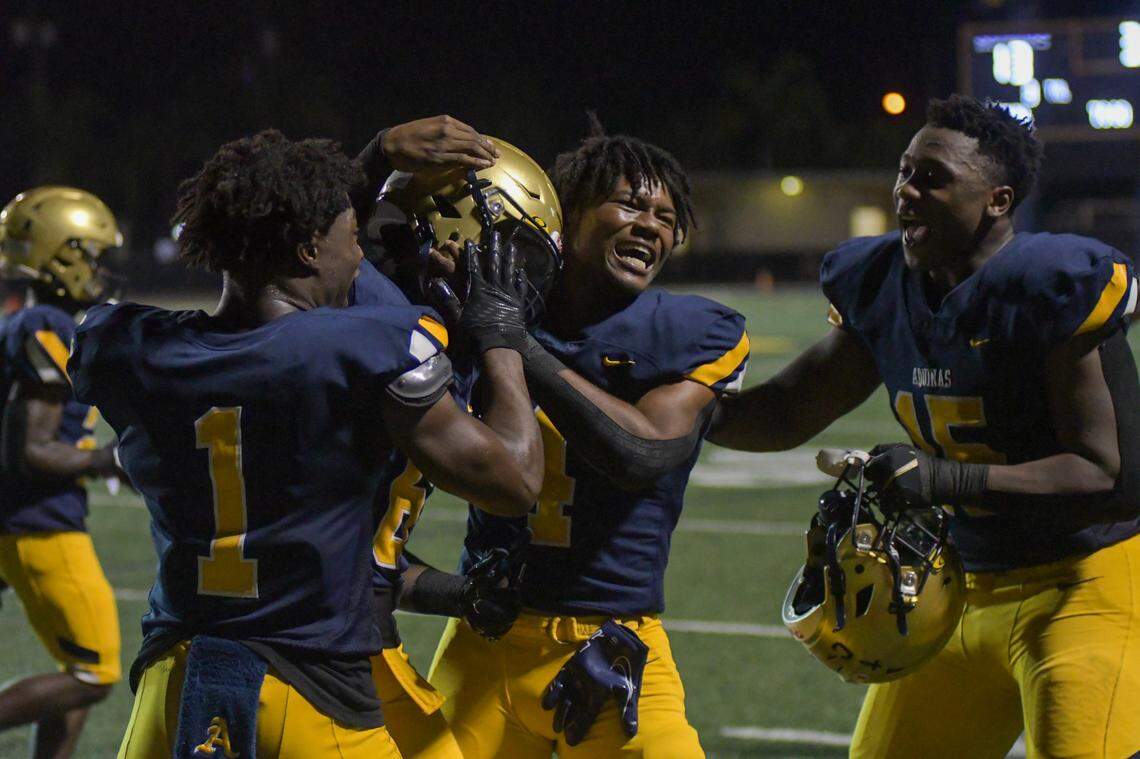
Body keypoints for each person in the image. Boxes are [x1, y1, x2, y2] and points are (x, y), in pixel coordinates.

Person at [67, 128, 543, 758]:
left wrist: (371, 161)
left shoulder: (126, 344)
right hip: (307, 689)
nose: (360, 258)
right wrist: (501, 338)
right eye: (353, 240)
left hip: (173, 688)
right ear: (308, 248)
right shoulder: (362, 349)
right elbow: (515, 482)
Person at [709, 95, 1140, 758]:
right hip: (956, 590)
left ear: (997, 201)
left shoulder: (1044, 284)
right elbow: (787, 411)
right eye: (905, 172)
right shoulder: (883, 281)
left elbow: (1106, 472)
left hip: (1083, 586)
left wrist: (945, 476)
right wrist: (681, 408)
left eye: (931, 178)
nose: (905, 192)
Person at [426, 123, 750, 758]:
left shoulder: (695, 331)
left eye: (665, 215)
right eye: (629, 204)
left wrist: (512, 341)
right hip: (484, 639)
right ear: (566, 214)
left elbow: (644, 453)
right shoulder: (482, 305)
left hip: (615, 643)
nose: (649, 225)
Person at [0, 186, 124, 759]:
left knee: (76, 667)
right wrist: (111, 458)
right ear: (62, 254)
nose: (100, 269)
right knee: (94, 674)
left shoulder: (22, 322)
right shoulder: (46, 325)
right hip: (41, 524)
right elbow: (35, 449)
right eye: (92, 255)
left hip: (20, 519)